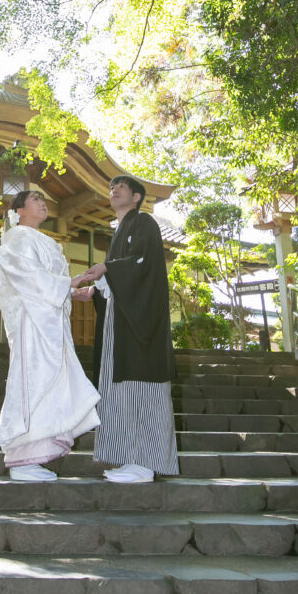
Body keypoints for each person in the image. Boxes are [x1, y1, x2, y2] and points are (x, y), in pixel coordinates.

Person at [0, 189, 100, 482]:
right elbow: (29, 277)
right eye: (35, 200)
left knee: (50, 383)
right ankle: (21, 458)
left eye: (44, 200)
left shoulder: (41, 239)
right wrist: (69, 283)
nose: (43, 204)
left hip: (48, 320)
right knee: (33, 381)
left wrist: (71, 292)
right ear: (19, 211)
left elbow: (45, 282)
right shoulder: (18, 237)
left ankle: (35, 454)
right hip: (32, 322)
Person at [81, 175, 179, 483]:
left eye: (121, 187)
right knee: (121, 390)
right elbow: (119, 277)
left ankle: (146, 463)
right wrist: (95, 291)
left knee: (144, 390)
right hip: (121, 324)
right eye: (111, 187)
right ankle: (130, 458)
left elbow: (143, 264)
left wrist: (108, 269)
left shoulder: (144, 223)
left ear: (136, 197)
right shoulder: (120, 230)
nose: (114, 190)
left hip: (142, 328)